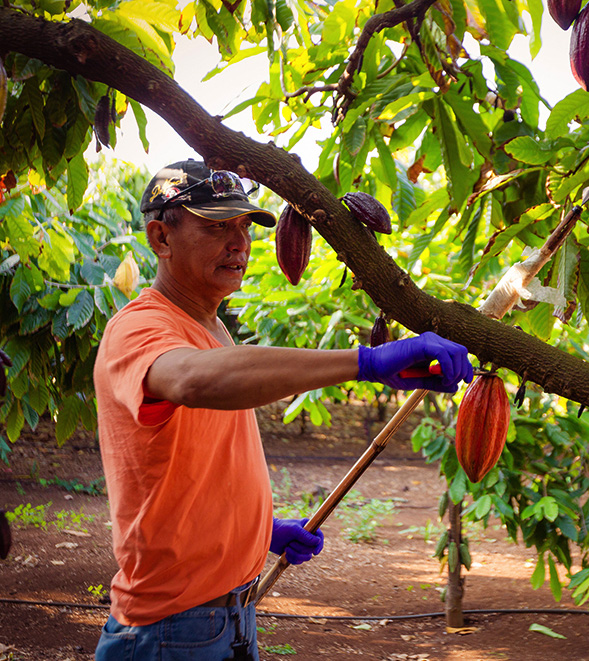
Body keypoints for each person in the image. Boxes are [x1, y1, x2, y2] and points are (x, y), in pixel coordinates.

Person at [93, 160, 474, 660]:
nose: (238, 243)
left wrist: (259, 530)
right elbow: (189, 379)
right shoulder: (138, 328)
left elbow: (193, 466)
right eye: (215, 226)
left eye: (243, 226)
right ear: (161, 237)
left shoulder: (211, 326)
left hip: (228, 614)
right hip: (170, 628)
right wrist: (364, 362)